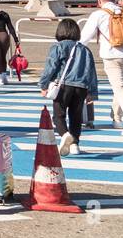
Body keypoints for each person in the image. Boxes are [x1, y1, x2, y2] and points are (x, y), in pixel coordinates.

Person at [80, 0, 123, 136]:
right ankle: (116, 118)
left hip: (111, 56)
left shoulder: (98, 14)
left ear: (99, 0)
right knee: (122, 88)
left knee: (119, 89)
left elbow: (84, 38)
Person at [40, 18, 99, 156]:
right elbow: (91, 71)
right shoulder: (85, 49)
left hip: (63, 85)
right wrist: (92, 92)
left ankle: (65, 134)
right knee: (76, 117)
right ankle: (75, 145)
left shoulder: (57, 47)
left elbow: (50, 67)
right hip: (81, 87)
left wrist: (43, 84)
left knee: (58, 115)